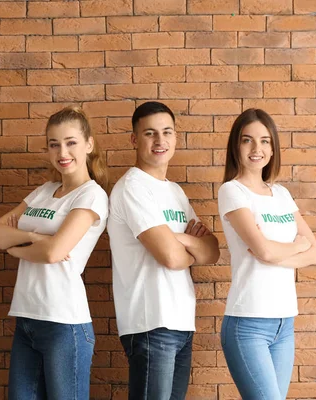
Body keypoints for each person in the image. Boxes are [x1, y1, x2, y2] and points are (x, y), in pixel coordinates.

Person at [0, 106, 108, 400]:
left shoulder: (91, 195)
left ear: (89, 144)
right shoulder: (43, 191)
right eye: (54, 144)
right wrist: (31, 237)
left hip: (64, 323)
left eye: (71, 142)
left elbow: (54, 252)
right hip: (27, 317)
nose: (62, 151)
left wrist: (14, 247)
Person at [107, 101, 220, 400]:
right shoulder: (132, 187)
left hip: (181, 321)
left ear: (175, 137)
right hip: (150, 323)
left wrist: (177, 238)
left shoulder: (175, 192)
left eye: (167, 132)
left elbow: (212, 251)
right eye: (150, 133)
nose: (160, 141)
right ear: (134, 139)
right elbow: (170, 258)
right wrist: (181, 244)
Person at [218, 108, 316, 400]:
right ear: (236, 146)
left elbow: (314, 253)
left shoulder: (282, 194)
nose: (256, 149)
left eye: (264, 141)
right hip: (248, 322)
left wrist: (278, 254)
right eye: (247, 140)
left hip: (284, 322)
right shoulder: (232, 192)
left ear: (273, 148)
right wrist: (288, 248)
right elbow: (262, 249)